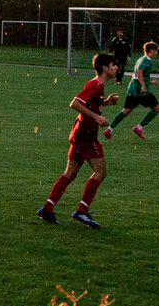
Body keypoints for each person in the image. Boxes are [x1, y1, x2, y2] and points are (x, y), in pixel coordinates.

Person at [37, 51, 118, 228]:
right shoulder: (94, 84)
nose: (116, 68)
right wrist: (97, 117)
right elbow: (75, 103)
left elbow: (91, 104)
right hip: (86, 136)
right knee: (100, 172)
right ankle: (82, 211)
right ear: (105, 68)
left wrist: (106, 103)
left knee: (70, 173)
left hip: (80, 134)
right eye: (113, 65)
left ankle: (47, 208)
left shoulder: (100, 87)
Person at [111, 40, 159, 137]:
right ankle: (138, 127)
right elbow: (140, 74)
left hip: (132, 89)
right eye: (156, 50)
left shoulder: (140, 59)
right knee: (156, 109)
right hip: (142, 92)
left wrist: (150, 82)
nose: (156, 52)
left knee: (126, 110)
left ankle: (109, 129)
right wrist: (143, 86)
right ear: (151, 50)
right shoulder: (147, 61)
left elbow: (137, 75)